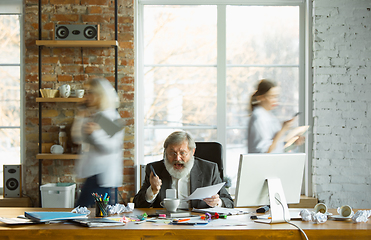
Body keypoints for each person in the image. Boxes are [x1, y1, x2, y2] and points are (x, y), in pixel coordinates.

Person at [133, 131, 234, 209]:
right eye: (172, 153)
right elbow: (138, 205)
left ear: (192, 152)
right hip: (164, 226)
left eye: (182, 153)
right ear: (165, 153)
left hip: (199, 225)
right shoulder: (155, 169)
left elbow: (229, 202)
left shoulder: (209, 169)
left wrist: (217, 202)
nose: (177, 158)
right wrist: (152, 191)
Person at [71, 78, 124, 207]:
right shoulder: (94, 115)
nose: (86, 96)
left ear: (99, 95)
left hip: (102, 177)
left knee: (81, 213)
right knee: (94, 217)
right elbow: (77, 138)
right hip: (93, 174)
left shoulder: (111, 116)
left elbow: (112, 147)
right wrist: (81, 116)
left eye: (90, 92)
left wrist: (94, 134)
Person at [248, 79, 304, 153]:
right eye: (272, 97)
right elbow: (266, 151)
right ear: (261, 98)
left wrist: (293, 143)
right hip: (263, 163)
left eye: (276, 96)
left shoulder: (269, 115)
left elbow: (277, 147)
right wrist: (282, 130)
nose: (275, 100)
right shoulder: (258, 118)